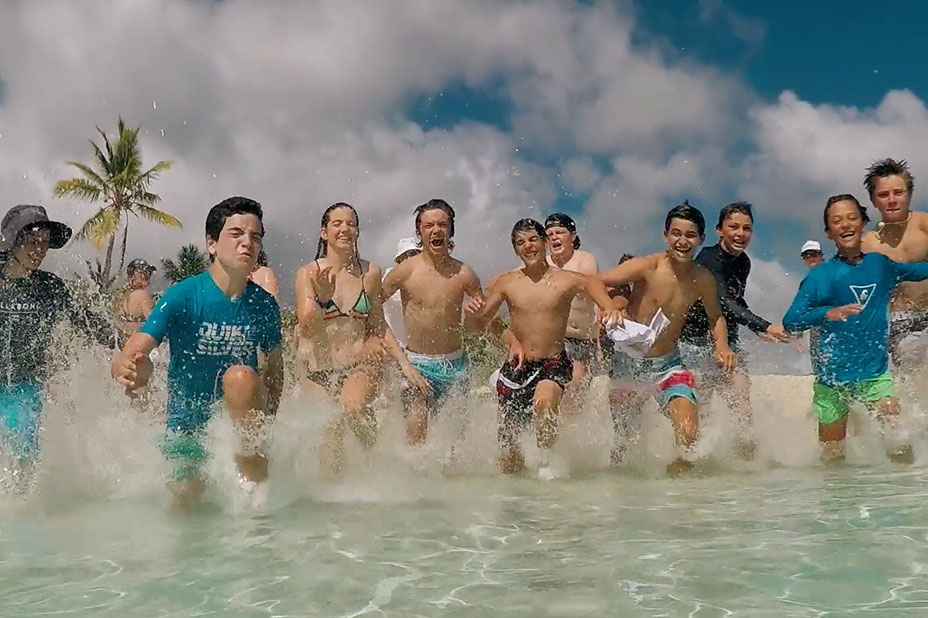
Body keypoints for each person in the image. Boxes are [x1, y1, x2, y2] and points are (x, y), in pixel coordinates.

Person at [111, 197, 283, 503]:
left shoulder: (264, 305)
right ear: (212, 244)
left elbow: (275, 371)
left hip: (243, 429)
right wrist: (126, 365)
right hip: (186, 426)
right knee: (188, 504)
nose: (248, 243)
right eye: (236, 234)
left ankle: (252, 483)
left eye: (255, 237)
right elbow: (136, 348)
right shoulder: (183, 295)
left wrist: (267, 423)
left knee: (240, 377)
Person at [467, 218, 624, 480]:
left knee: (545, 399)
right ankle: (516, 491)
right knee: (509, 449)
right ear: (515, 249)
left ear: (544, 243)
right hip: (518, 366)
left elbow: (592, 283)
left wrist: (608, 306)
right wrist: (491, 327)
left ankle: (545, 463)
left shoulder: (565, 279)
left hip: (553, 361)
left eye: (533, 240)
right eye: (520, 242)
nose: (528, 246)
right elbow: (480, 324)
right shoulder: (507, 283)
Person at [783, 194, 928, 463]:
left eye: (852, 217)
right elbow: (791, 321)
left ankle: (908, 488)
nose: (845, 224)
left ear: (863, 223)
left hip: (874, 376)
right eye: (837, 220)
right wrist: (827, 313)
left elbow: (920, 271)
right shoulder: (819, 276)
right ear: (829, 232)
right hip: (832, 381)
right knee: (832, 458)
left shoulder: (880, 265)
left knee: (898, 439)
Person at [599, 202, 736, 475]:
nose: (682, 241)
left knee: (688, 430)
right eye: (676, 233)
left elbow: (715, 317)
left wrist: (721, 345)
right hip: (629, 364)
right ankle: (619, 487)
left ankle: (678, 485)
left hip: (668, 365)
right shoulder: (648, 266)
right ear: (665, 235)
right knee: (623, 441)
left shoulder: (702, 279)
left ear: (701, 239)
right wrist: (609, 306)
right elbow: (595, 281)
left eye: (690, 235)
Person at [295, 203, 426, 475]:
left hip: (358, 366)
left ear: (357, 231)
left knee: (353, 409)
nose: (345, 229)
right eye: (337, 223)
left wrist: (404, 363)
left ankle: (374, 471)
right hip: (317, 371)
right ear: (324, 232)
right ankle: (336, 491)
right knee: (329, 435)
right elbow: (307, 327)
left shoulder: (370, 273)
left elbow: (378, 324)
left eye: (351, 223)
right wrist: (322, 298)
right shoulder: (308, 273)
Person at [0, 205, 118, 489]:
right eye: (32, 241)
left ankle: (20, 504)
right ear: (12, 240)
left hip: (25, 387)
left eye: (44, 243)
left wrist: (122, 342)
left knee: (23, 456)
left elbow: (84, 320)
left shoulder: (49, 286)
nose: (39, 250)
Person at [678, 202, 789, 458]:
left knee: (741, 402)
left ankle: (745, 459)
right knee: (702, 409)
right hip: (696, 344)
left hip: (729, 343)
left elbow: (736, 299)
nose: (740, 234)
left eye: (746, 228)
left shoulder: (744, 262)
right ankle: (693, 459)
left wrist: (758, 330)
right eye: (734, 227)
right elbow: (722, 301)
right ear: (720, 230)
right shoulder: (707, 259)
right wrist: (762, 324)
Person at [381, 199, 485, 444]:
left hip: (455, 365)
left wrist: (475, 317)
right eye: (429, 226)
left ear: (450, 230)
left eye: (442, 225)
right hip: (417, 364)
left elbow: (477, 329)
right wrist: (402, 360)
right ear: (419, 232)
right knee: (416, 430)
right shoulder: (404, 271)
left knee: (452, 444)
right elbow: (372, 314)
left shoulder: (465, 274)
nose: (436, 230)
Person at [859, 159, 928, 373]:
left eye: (898, 193)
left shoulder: (924, 225)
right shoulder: (868, 244)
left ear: (909, 194)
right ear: (874, 201)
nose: (892, 200)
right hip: (903, 321)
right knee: (912, 365)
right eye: (883, 195)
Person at [544, 213, 600, 393]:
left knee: (585, 388)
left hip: (585, 340)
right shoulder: (542, 264)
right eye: (549, 234)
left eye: (559, 232)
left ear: (573, 236)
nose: (554, 237)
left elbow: (586, 282)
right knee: (573, 380)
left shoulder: (584, 258)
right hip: (557, 340)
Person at [381, 237, 420, 350]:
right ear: (399, 260)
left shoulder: (426, 279)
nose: (409, 258)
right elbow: (375, 303)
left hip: (417, 348)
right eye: (406, 255)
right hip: (393, 345)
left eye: (413, 254)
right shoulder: (389, 277)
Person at [795, 241, 825, 374]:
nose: (811, 258)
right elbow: (802, 309)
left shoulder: (835, 273)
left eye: (814, 254)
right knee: (818, 363)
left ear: (821, 255)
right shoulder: (805, 283)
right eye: (807, 255)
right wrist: (799, 336)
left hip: (837, 322)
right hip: (816, 327)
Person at [115, 259, 156, 338]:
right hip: (137, 341)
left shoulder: (122, 296)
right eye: (145, 274)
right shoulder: (141, 295)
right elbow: (153, 323)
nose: (148, 277)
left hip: (124, 340)